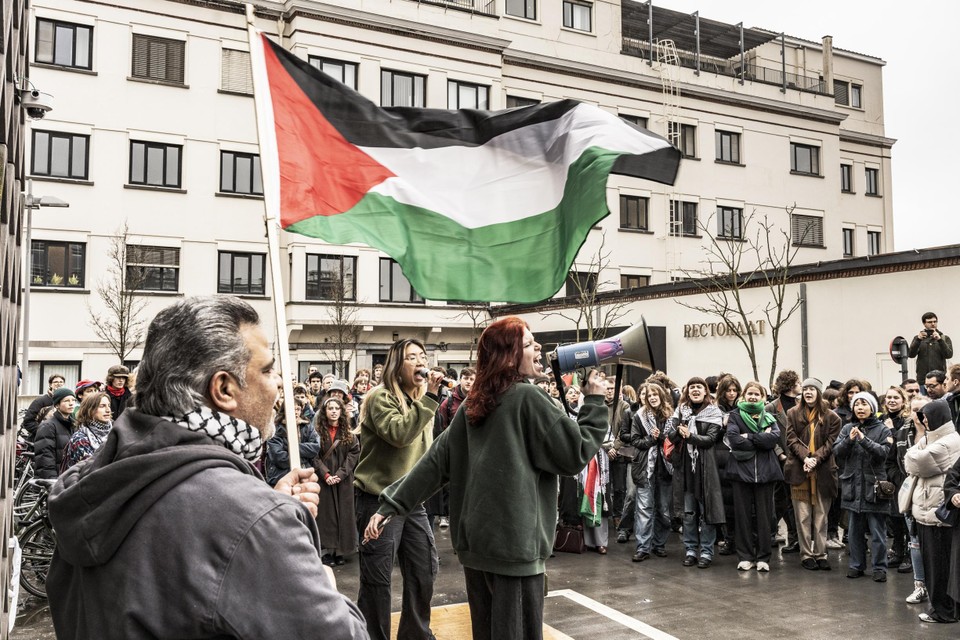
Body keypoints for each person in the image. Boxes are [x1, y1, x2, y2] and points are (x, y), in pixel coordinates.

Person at [46, 296, 366, 639]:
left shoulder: (99, 480)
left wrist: (267, 512)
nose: (277, 385)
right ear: (224, 388)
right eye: (268, 370)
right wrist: (317, 576)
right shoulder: (253, 519)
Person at [363, 317, 608, 640]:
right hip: (515, 549)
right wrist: (595, 402)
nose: (539, 349)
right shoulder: (528, 398)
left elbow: (433, 463)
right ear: (509, 355)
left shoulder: (474, 403)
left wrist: (390, 505)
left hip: (477, 547)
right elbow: (574, 453)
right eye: (530, 343)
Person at [353, 337, 444, 640]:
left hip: (411, 502)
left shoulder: (422, 401)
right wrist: (430, 398)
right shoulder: (381, 397)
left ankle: (416, 635)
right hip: (377, 500)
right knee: (377, 582)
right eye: (411, 357)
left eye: (422, 356)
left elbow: (428, 452)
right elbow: (400, 434)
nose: (420, 362)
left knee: (423, 571)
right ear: (396, 365)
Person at [903, 398, 960, 624]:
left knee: (939, 568)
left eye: (926, 415)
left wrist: (913, 452)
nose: (922, 420)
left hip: (937, 514)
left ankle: (943, 612)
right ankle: (946, 610)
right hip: (929, 512)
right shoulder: (936, 438)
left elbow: (916, 461)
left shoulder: (950, 441)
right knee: (939, 567)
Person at [833, 392, 893, 582]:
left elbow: (883, 453)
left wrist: (863, 440)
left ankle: (879, 567)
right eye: (857, 404)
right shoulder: (847, 428)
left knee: (877, 532)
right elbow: (837, 452)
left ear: (873, 408)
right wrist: (849, 440)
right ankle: (856, 565)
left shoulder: (883, 429)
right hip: (853, 486)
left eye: (864, 404)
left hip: (874, 488)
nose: (860, 407)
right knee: (854, 532)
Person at [666, 377, 725, 569]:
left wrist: (690, 436)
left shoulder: (714, 412)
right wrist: (679, 431)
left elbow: (711, 439)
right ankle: (691, 550)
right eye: (692, 387)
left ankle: (706, 552)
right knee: (689, 514)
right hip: (685, 470)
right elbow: (670, 436)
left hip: (705, 469)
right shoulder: (680, 411)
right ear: (687, 391)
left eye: (699, 387)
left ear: (706, 391)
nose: (696, 390)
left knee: (706, 514)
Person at [784, 378, 842, 571]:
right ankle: (807, 554)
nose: (808, 392)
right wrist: (806, 458)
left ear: (818, 392)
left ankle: (821, 553)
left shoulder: (833, 418)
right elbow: (791, 440)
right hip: (800, 471)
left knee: (821, 516)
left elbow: (830, 443)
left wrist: (815, 459)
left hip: (823, 472)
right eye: (805, 389)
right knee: (802, 517)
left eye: (812, 389)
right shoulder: (792, 413)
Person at [725, 381, 783, 572]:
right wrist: (759, 438)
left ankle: (763, 557)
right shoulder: (734, 416)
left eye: (757, 394)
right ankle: (746, 557)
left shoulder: (769, 417)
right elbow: (734, 439)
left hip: (766, 474)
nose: (753, 397)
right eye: (749, 393)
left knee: (765, 517)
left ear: (763, 397)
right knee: (742, 517)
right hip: (741, 473)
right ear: (743, 395)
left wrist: (748, 437)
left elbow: (774, 439)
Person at [313, 396, 359, 567]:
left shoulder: (348, 434)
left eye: (336, 408)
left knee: (343, 514)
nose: (333, 411)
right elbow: (314, 456)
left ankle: (340, 551)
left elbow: (353, 454)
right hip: (323, 480)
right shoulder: (318, 432)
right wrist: (325, 474)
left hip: (343, 481)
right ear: (324, 412)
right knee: (326, 516)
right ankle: (327, 551)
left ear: (341, 411)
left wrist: (340, 474)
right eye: (330, 408)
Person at [630, 383, 674, 561]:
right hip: (645, 469)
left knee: (663, 510)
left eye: (656, 394)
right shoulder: (639, 416)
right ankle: (643, 548)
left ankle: (659, 544)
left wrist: (662, 437)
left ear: (662, 396)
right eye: (649, 395)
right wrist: (651, 439)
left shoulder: (671, 416)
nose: (653, 398)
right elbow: (635, 441)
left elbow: (675, 441)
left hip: (665, 469)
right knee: (644, 509)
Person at [765, 370, 800, 553]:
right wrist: (780, 453)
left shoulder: (801, 404)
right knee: (782, 499)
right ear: (791, 385)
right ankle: (785, 535)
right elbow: (768, 433)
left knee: (796, 499)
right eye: (798, 382)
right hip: (780, 459)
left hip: (800, 458)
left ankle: (796, 537)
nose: (801, 386)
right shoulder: (771, 408)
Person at [265, 397, 321, 487]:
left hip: (304, 475)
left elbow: (315, 448)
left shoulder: (307, 426)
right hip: (281, 477)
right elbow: (279, 458)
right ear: (285, 409)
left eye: (298, 409)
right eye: (292, 409)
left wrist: (290, 447)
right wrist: (304, 456)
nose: (295, 412)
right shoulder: (276, 428)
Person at [34, 387, 77, 478]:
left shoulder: (74, 425)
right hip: (55, 479)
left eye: (73, 400)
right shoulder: (48, 426)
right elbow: (45, 458)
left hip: (68, 478)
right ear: (57, 405)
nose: (71, 403)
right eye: (66, 401)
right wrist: (52, 480)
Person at [64, 392, 113, 469]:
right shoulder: (80, 439)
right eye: (102, 406)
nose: (108, 410)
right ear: (90, 410)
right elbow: (90, 469)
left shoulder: (114, 432)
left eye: (109, 406)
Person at [908, 312, 953, 385]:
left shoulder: (944, 338)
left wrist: (940, 340)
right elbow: (911, 355)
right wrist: (918, 340)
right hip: (923, 380)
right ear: (924, 323)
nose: (933, 324)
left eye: (935, 321)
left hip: (939, 380)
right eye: (929, 322)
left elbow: (949, 355)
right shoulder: (918, 338)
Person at [21, 373, 65, 440]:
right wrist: (43, 432)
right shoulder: (40, 401)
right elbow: (28, 422)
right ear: (50, 384)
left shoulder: (67, 400)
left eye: (61, 382)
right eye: (55, 382)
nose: (59, 384)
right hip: (43, 440)